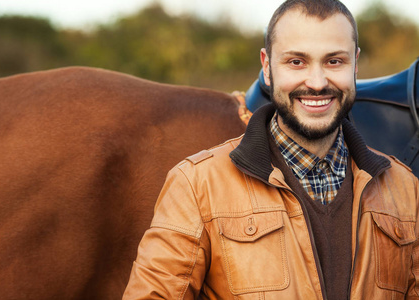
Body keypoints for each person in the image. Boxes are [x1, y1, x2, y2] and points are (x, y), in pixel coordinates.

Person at [123, 0, 419, 299]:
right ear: (266, 67)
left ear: (355, 64)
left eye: (334, 61)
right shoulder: (197, 185)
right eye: (296, 62)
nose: (317, 83)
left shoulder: (406, 189)